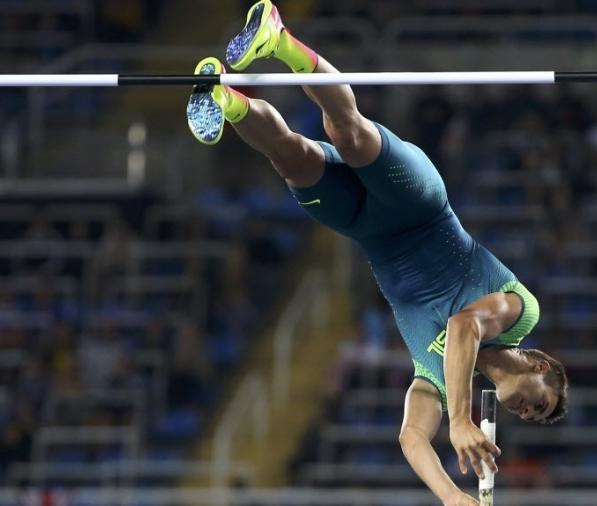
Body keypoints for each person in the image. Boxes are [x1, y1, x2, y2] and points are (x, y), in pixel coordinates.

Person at [186, 2, 569, 504]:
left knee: (292, 157)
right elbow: (462, 326)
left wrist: (452, 496)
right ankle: (278, 39)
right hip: (419, 205)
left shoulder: (438, 376)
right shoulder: (521, 315)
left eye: (534, 419)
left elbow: (411, 438)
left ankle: (223, 98)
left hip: (367, 229)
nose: (529, 416)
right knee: (350, 133)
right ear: (541, 369)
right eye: (541, 407)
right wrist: (459, 422)